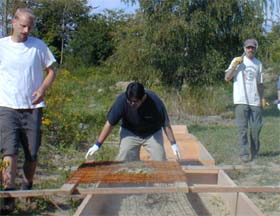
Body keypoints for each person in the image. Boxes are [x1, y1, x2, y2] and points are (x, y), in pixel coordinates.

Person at [0, 8, 56, 213]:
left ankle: (27, 187)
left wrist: (42, 89)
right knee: (9, 151)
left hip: (32, 108)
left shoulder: (38, 46)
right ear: (13, 22)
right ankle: (8, 194)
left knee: (32, 154)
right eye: (23, 25)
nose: (26, 30)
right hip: (6, 106)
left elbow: (52, 71)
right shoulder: (2, 46)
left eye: (30, 27)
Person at [85, 81, 180, 161]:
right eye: (129, 101)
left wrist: (173, 144)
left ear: (143, 98)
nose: (132, 104)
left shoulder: (155, 102)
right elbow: (110, 124)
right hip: (130, 132)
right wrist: (97, 145)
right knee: (124, 157)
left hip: (152, 133)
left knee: (160, 159)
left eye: (135, 101)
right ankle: (127, 181)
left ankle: (160, 182)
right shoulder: (121, 101)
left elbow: (166, 124)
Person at [225, 38, 263, 163]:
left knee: (256, 129)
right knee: (242, 129)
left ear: (255, 49)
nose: (250, 49)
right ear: (244, 49)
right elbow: (227, 78)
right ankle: (244, 153)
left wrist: (262, 99)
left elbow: (260, 83)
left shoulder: (258, 64)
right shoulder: (238, 61)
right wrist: (235, 66)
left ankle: (255, 150)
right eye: (248, 47)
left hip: (255, 101)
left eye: (252, 47)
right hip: (241, 100)